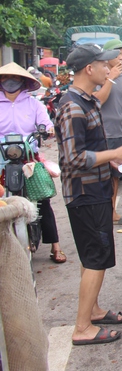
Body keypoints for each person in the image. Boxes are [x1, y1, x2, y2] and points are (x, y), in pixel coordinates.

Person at [55, 44, 122, 345]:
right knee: (95, 258)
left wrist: (114, 159)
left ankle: (94, 311)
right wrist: (114, 151)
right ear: (89, 68)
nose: (109, 70)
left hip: (97, 189)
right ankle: (82, 328)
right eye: (105, 65)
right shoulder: (72, 106)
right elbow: (73, 158)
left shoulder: (86, 100)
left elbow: (90, 148)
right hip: (84, 194)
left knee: (95, 255)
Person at [0, 62, 66, 263]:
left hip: (29, 158)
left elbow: (46, 124)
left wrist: (48, 129)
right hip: (1, 159)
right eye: (4, 78)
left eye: (15, 78)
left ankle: (56, 247)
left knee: (42, 198)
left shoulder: (34, 104)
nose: (9, 82)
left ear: (22, 81)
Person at [93, 39, 122, 225]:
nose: (121, 57)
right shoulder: (98, 76)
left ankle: (112, 213)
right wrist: (110, 77)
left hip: (118, 133)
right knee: (98, 178)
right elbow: (97, 101)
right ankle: (98, 215)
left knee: (115, 178)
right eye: (117, 53)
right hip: (99, 134)